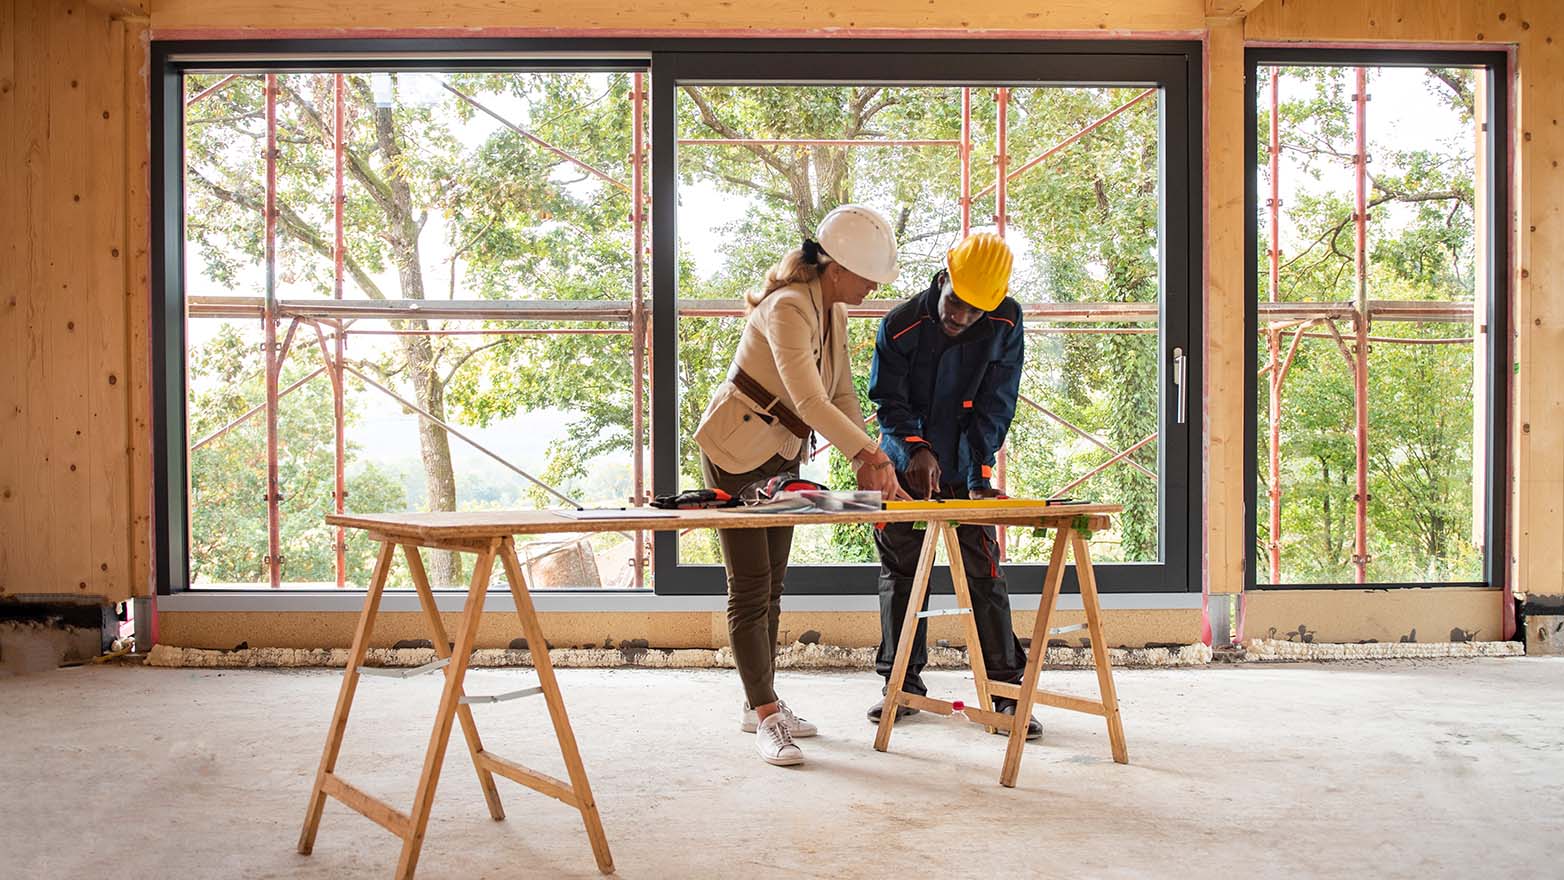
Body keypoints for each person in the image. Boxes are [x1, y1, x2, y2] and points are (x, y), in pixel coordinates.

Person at [694, 204, 910, 767]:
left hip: (778, 456)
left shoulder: (831, 309)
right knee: (749, 585)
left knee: (772, 586)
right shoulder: (788, 308)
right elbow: (810, 401)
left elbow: (838, 397)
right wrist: (868, 456)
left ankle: (757, 703)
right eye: (868, 277)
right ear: (837, 268)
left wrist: (875, 461)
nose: (872, 288)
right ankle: (766, 716)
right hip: (736, 453)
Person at [864, 232, 1042, 740]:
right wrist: (916, 449)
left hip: (967, 465)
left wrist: (979, 472)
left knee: (983, 575)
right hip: (903, 466)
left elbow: (997, 402)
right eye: (956, 304)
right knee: (902, 575)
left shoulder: (1005, 320)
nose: (962, 318)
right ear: (943, 278)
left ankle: (1008, 696)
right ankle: (900, 687)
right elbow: (888, 403)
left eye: (974, 313)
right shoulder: (899, 326)